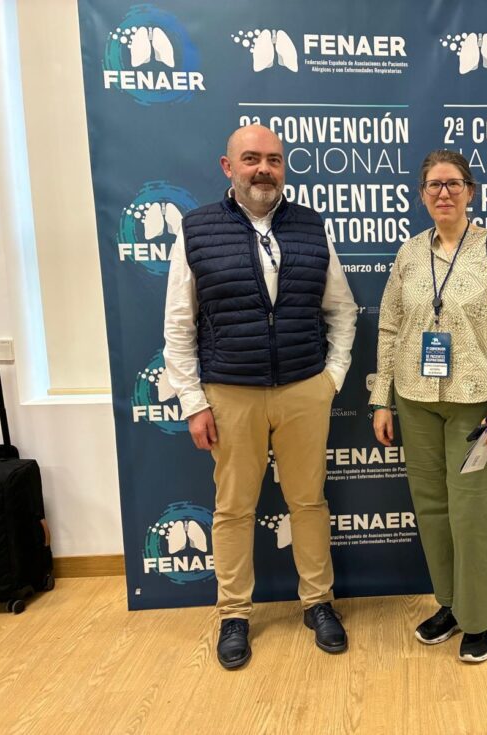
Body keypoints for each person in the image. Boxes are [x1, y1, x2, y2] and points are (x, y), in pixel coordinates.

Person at [163, 124, 357, 669]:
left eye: (273, 159)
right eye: (251, 159)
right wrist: (193, 402)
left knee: (309, 502)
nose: (263, 169)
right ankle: (234, 615)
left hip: (303, 388)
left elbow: (341, 309)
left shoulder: (311, 227)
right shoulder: (196, 230)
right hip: (230, 394)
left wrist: (332, 377)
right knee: (233, 508)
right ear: (229, 167)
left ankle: (318, 603)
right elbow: (178, 324)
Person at [368, 150, 487, 663]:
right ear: (422, 194)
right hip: (415, 400)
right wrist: (382, 399)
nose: (444, 193)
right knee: (432, 510)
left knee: (472, 513)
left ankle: (479, 617)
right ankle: (450, 604)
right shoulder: (409, 253)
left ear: (471, 191)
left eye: (454, 184)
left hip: (478, 407)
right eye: (434, 185)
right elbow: (390, 326)